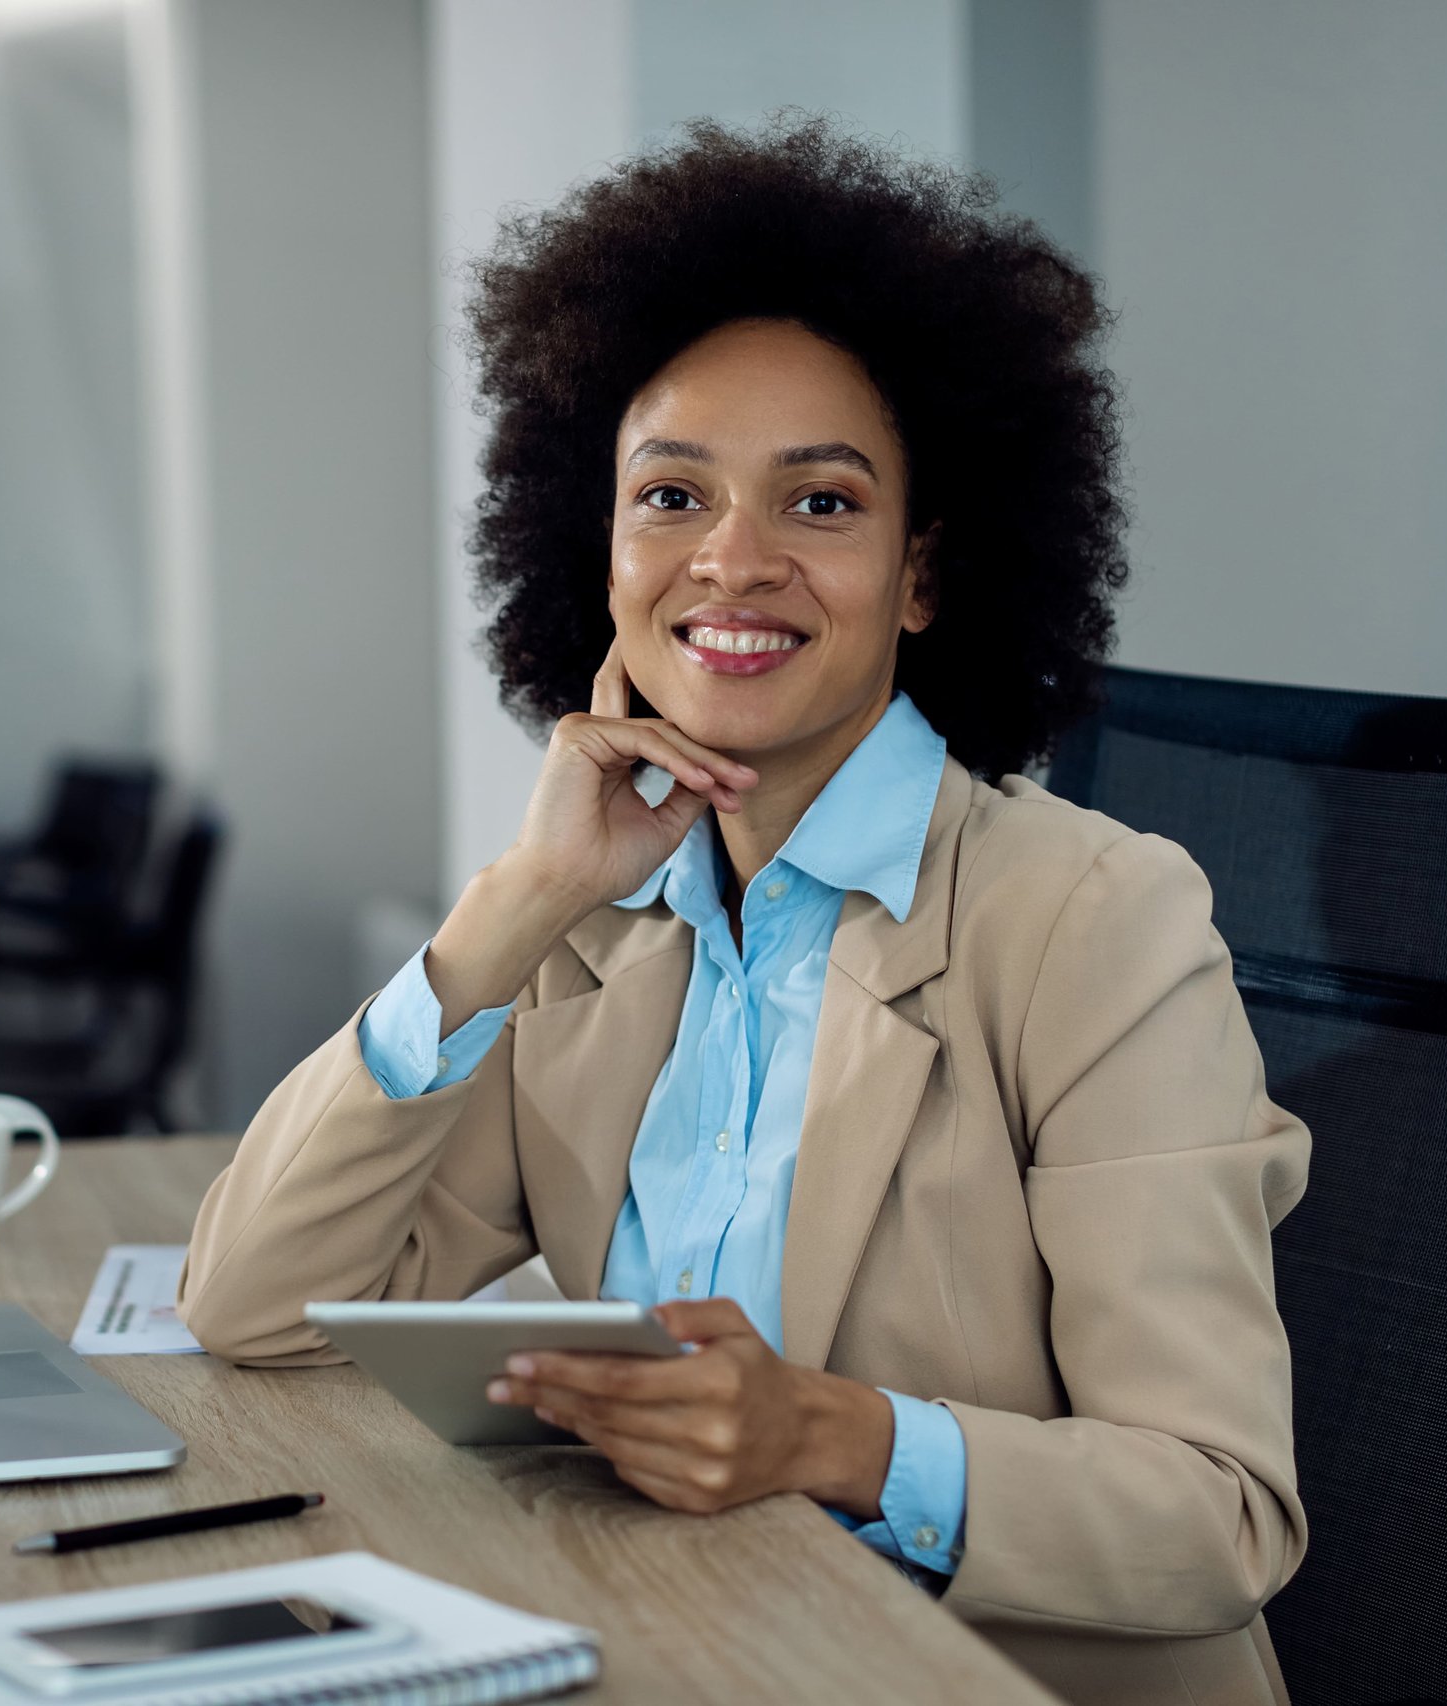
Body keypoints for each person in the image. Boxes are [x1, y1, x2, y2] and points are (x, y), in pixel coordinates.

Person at [179, 119, 1310, 1706]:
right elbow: (250, 1304)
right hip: (679, 1638)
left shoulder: (1097, 924)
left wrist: (839, 1439)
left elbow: (1220, 1513)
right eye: (671, 496)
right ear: (601, 549)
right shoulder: (604, 916)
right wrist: (515, 906)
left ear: (925, 573)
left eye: (823, 504)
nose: (732, 562)